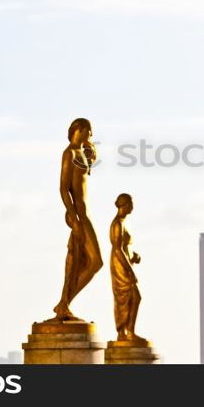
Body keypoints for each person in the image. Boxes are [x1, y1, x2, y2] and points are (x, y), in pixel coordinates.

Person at [52, 118, 102, 321]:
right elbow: (64, 189)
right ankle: (64, 303)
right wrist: (74, 218)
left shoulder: (81, 153)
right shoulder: (70, 153)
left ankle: (64, 303)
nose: (91, 135)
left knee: (87, 262)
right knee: (94, 261)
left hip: (84, 214)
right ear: (79, 130)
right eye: (89, 131)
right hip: (79, 215)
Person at [109, 193, 147, 343]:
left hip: (125, 262)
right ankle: (124, 332)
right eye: (131, 204)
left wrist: (134, 256)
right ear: (124, 205)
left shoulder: (124, 222)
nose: (132, 207)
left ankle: (129, 331)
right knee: (127, 297)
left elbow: (125, 247)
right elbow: (118, 249)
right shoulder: (117, 224)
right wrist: (130, 271)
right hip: (120, 265)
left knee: (133, 297)